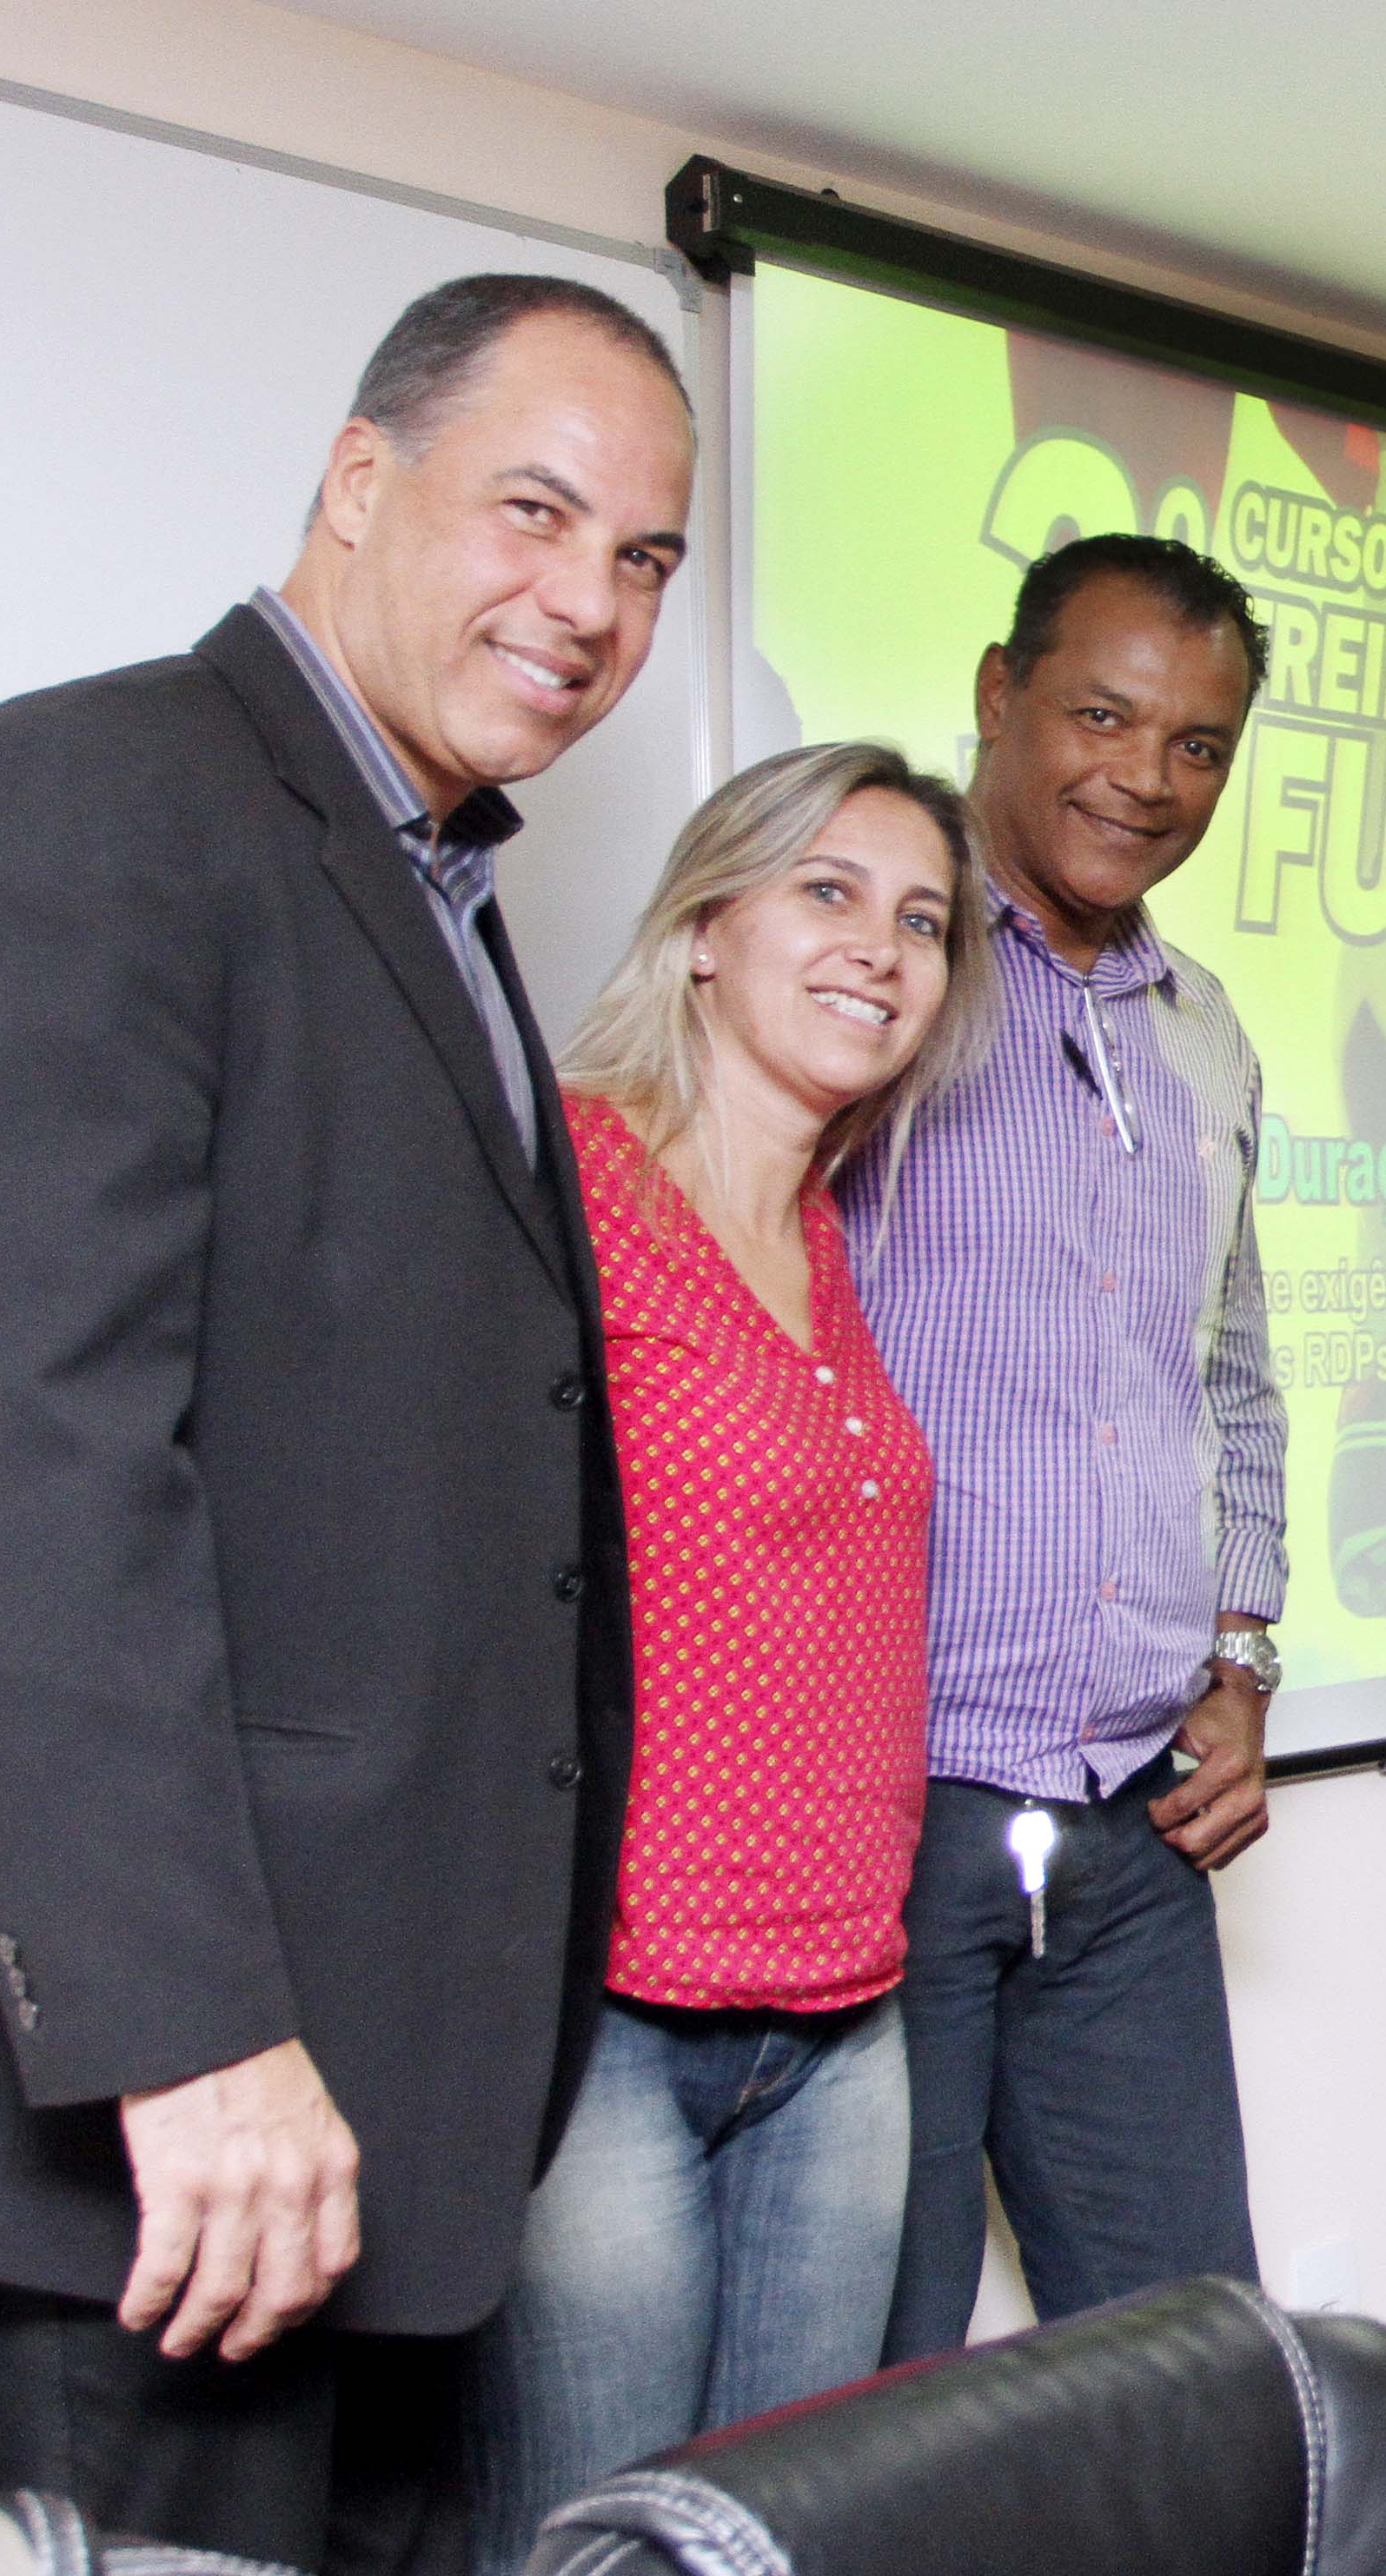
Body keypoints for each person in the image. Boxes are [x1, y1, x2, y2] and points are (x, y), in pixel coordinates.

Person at [0, 273, 692, 2571]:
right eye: (536, 510)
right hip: (159, 2154)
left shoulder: (428, 876)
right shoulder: (86, 802)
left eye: (643, 558)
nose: (589, 601)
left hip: (382, 2133)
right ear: (356, 481)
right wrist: (186, 2037)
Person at [465, 744, 998, 2567]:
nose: (882, 949)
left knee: (775, 2543)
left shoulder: (838, 1230)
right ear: (707, 927)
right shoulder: (570, 1181)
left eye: (921, 920)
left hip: (847, 2016)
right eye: (830, 895)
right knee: (600, 2549)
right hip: (610, 2013)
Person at [853, 534, 1292, 2363]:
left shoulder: (1203, 1034)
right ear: (995, 696)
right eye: (1102, 715)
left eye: (1198, 744)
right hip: (890, 1804)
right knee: (878, 2386)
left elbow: (1236, 1374)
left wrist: (1245, 1653)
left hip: (1126, 1821)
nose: (1146, 776)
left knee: (1190, 2365)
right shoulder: (871, 970)